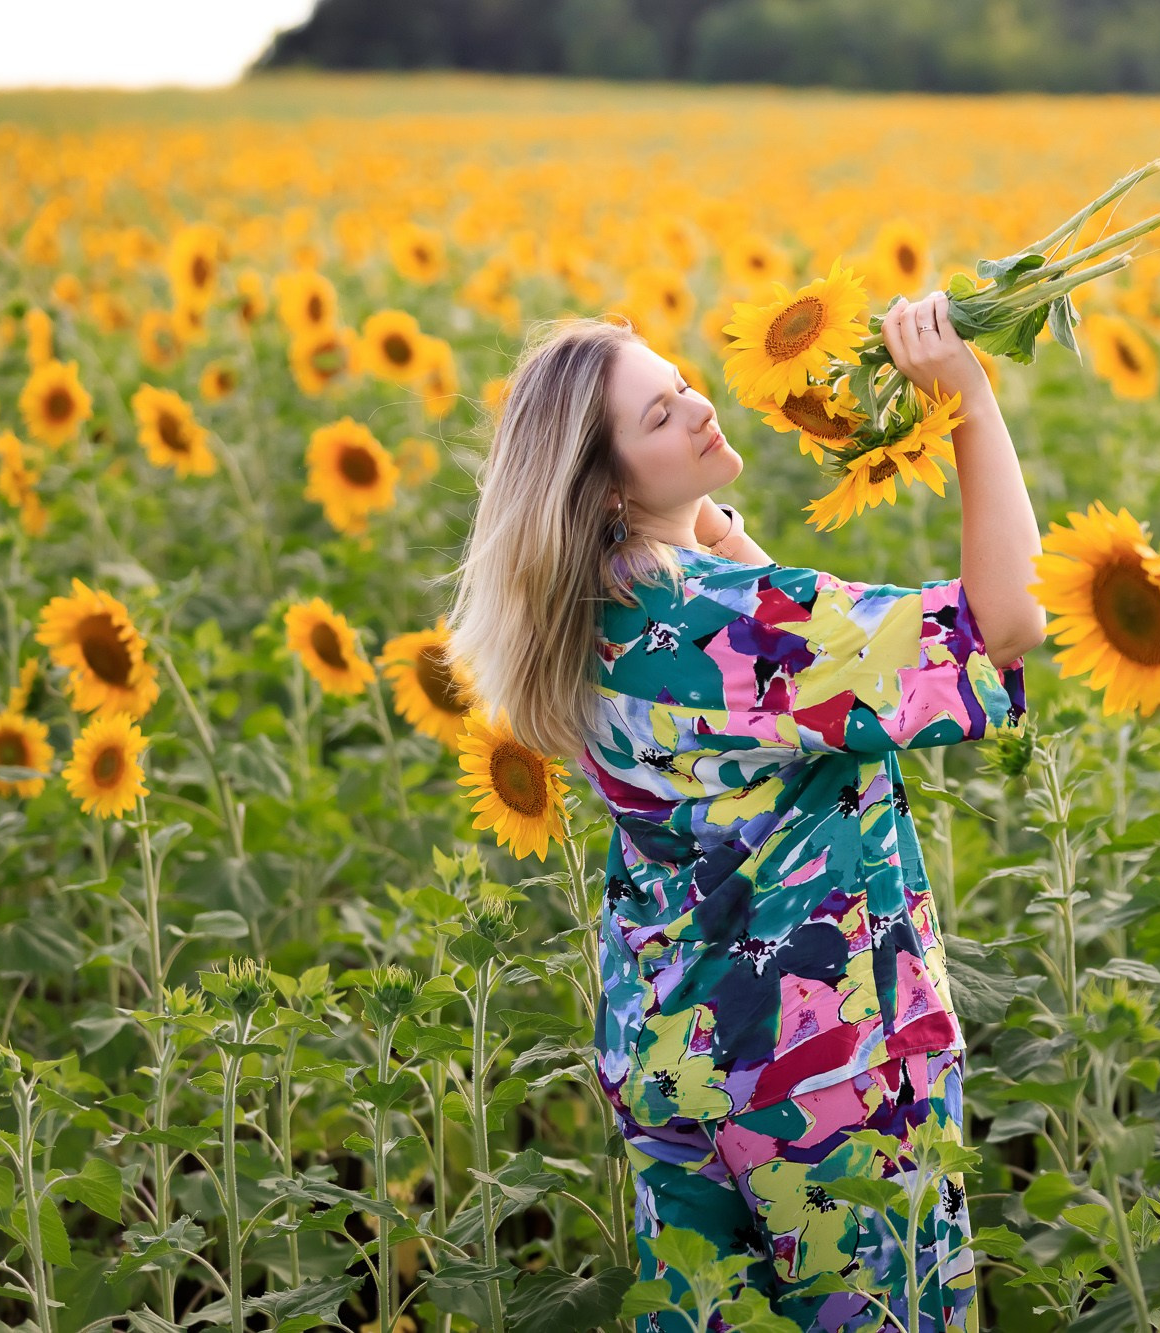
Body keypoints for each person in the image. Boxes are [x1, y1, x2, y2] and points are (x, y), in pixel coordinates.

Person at [443, 288, 1047, 1332]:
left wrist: (712, 535)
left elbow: (771, 699)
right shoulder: (734, 628)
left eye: (678, 384)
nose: (696, 407)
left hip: (675, 1056)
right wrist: (969, 401)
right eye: (657, 416)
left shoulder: (589, 620)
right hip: (825, 1072)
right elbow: (1000, 627)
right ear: (604, 492)